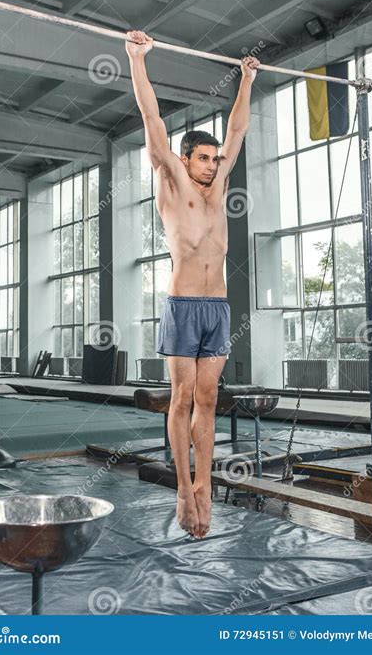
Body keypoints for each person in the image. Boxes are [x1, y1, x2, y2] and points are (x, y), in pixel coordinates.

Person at [126, 30, 259, 539]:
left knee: (210, 399)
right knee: (181, 399)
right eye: (204, 158)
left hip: (218, 308)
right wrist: (136, 59)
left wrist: (245, 79)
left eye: (214, 160)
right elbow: (152, 119)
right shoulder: (172, 180)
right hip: (183, 306)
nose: (211, 165)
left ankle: (206, 485)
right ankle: (183, 488)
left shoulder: (218, 186)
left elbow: (238, 129)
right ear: (185, 160)